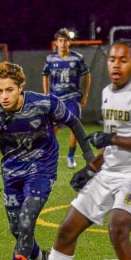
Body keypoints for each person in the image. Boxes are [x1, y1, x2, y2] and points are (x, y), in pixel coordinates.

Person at [10, 39, 131, 260]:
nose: (116, 64)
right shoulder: (107, 92)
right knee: (67, 228)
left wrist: (113, 139)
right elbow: (111, 142)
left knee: (118, 227)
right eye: (112, 59)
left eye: (123, 60)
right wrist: (92, 167)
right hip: (109, 172)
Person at [0, 61, 95, 260]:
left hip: (41, 169)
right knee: (17, 230)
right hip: (12, 174)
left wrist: (88, 156)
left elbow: (74, 123)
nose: (4, 96)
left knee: (27, 221)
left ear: (21, 87)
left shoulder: (44, 103)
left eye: (9, 90)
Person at [42, 28, 91, 169]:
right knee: (52, 128)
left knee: (74, 127)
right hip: (56, 99)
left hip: (72, 98)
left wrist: (85, 94)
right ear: (56, 42)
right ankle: (49, 157)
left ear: (69, 42)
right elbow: (44, 74)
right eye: (60, 40)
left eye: (65, 40)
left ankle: (70, 156)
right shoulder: (50, 58)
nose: (63, 43)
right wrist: (46, 93)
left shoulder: (77, 58)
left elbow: (87, 74)